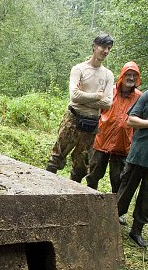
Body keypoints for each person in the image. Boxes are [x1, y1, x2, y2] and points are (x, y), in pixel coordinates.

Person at [46, 34, 114, 182]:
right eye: (103, 47)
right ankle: (43, 190)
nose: (106, 51)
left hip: (91, 122)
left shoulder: (108, 75)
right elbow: (74, 97)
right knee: (56, 157)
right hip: (73, 118)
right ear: (95, 46)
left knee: (81, 165)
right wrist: (97, 95)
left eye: (109, 48)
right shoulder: (79, 69)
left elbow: (108, 103)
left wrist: (84, 99)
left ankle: (71, 196)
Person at [86, 61, 142, 194]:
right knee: (93, 175)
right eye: (128, 74)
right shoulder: (110, 91)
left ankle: (115, 210)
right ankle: (89, 201)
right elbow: (95, 109)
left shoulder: (139, 97)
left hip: (123, 145)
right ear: (122, 75)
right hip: (101, 140)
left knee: (118, 180)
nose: (131, 78)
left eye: (134, 75)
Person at [117, 90, 148, 248]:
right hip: (139, 153)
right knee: (126, 189)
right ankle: (113, 219)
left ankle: (136, 230)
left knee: (147, 199)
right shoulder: (146, 96)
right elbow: (131, 120)